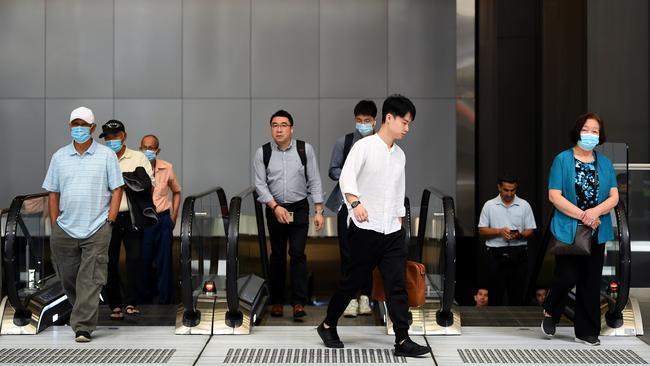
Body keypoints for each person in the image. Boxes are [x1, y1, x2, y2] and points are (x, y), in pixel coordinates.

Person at [317, 95, 431, 357]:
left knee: (397, 283)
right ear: (389, 118)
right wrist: (356, 204)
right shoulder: (364, 147)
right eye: (404, 122)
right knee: (353, 281)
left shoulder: (400, 155)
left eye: (409, 124)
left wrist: (400, 221)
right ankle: (327, 324)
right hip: (364, 228)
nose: (407, 128)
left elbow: (399, 189)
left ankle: (402, 339)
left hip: (391, 230)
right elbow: (347, 178)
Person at [42, 107, 124, 342]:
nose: (79, 128)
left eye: (84, 124)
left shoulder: (106, 156)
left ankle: (83, 326)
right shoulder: (59, 156)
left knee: (90, 278)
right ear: (70, 127)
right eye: (75, 123)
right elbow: (52, 192)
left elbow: (117, 189)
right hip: (65, 228)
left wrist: (110, 219)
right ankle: (82, 312)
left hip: (97, 227)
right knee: (68, 277)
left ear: (92, 128)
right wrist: (56, 222)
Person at [542, 112, 619, 346]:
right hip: (569, 227)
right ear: (578, 131)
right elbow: (554, 196)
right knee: (566, 277)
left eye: (595, 131)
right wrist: (584, 216)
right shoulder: (562, 160)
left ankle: (586, 331)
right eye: (586, 129)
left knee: (590, 281)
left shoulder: (604, 163)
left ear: (600, 136)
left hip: (597, 228)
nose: (590, 134)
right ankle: (550, 311)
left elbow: (614, 196)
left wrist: (595, 213)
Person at [253, 109, 325, 320]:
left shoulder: (305, 149)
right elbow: (260, 185)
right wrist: (275, 207)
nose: (279, 129)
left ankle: (298, 302)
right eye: (275, 125)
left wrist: (318, 210)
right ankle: (277, 301)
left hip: (300, 207)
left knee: (298, 253)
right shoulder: (263, 152)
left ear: (291, 129)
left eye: (284, 125)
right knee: (277, 255)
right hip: (275, 208)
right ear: (271, 129)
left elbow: (315, 179)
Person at [325, 100, 377, 318]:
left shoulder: (379, 144)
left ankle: (366, 297)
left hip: (371, 205)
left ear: (375, 121)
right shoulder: (344, 142)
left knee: (367, 251)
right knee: (347, 251)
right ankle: (349, 300)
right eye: (359, 121)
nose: (362, 125)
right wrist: (349, 178)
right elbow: (332, 170)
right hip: (346, 204)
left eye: (366, 121)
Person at [101, 120, 155, 319]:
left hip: (132, 216)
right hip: (108, 217)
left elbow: (148, 184)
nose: (111, 140)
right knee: (109, 261)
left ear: (123, 136)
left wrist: (120, 182)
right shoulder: (101, 157)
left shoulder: (138, 157)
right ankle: (114, 304)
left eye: (114, 136)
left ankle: (131, 302)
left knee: (134, 259)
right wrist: (127, 180)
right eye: (107, 137)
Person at [478, 175, 536, 305]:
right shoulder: (489, 205)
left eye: (513, 190)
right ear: (499, 187)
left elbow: (531, 230)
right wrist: (499, 231)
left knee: (517, 294)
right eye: (506, 190)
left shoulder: (524, 205)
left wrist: (519, 235)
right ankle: (495, 323)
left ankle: (517, 324)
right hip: (495, 252)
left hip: (519, 251)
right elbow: (482, 230)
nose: (509, 193)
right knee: (495, 294)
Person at [140, 134, 181, 304]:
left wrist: (174, 215)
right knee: (144, 261)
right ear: (140, 148)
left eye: (151, 147)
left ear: (158, 150)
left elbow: (177, 191)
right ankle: (143, 299)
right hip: (143, 221)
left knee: (164, 261)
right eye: (145, 147)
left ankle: (165, 300)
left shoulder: (167, 167)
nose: (148, 150)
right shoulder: (136, 167)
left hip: (163, 219)